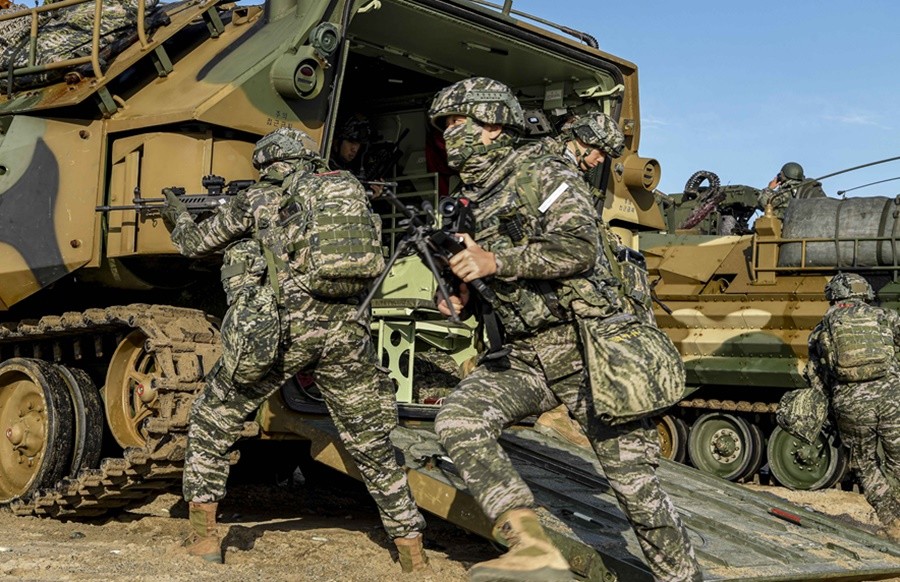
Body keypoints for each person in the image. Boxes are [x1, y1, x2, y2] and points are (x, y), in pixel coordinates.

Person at [428, 77, 701, 582]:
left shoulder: (542, 169)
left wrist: (496, 261)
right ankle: (531, 546)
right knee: (457, 421)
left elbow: (578, 250)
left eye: (456, 123)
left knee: (636, 490)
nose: (449, 135)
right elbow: (495, 282)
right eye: (443, 126)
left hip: (587, 350)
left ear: (491, 125)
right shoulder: (471, 196)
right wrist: (461, 294)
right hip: (526, 355)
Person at [160, 127, 429, 571]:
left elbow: (194, 245)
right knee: (374, 445)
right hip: (346, 330)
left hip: (288, 330)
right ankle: (412, 553)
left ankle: (203, 539)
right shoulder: (345, 188)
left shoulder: (258, 199)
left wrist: (178, 216)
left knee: (214, 416)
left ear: (266, 164)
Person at [804, 272, 900, 541]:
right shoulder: (885, 316)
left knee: (864, 463)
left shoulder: (824, 327)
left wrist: (829, 404)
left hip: (851, 402)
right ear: (865, 292)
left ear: (834, 295)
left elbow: (814, 374)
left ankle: (892, 520)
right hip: (892, 396)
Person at [757, 161, 826, 219]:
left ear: (782, 176)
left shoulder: (786, 192)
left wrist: (769, 188)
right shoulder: (805, 189)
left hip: (783, 226)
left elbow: (766, 203)